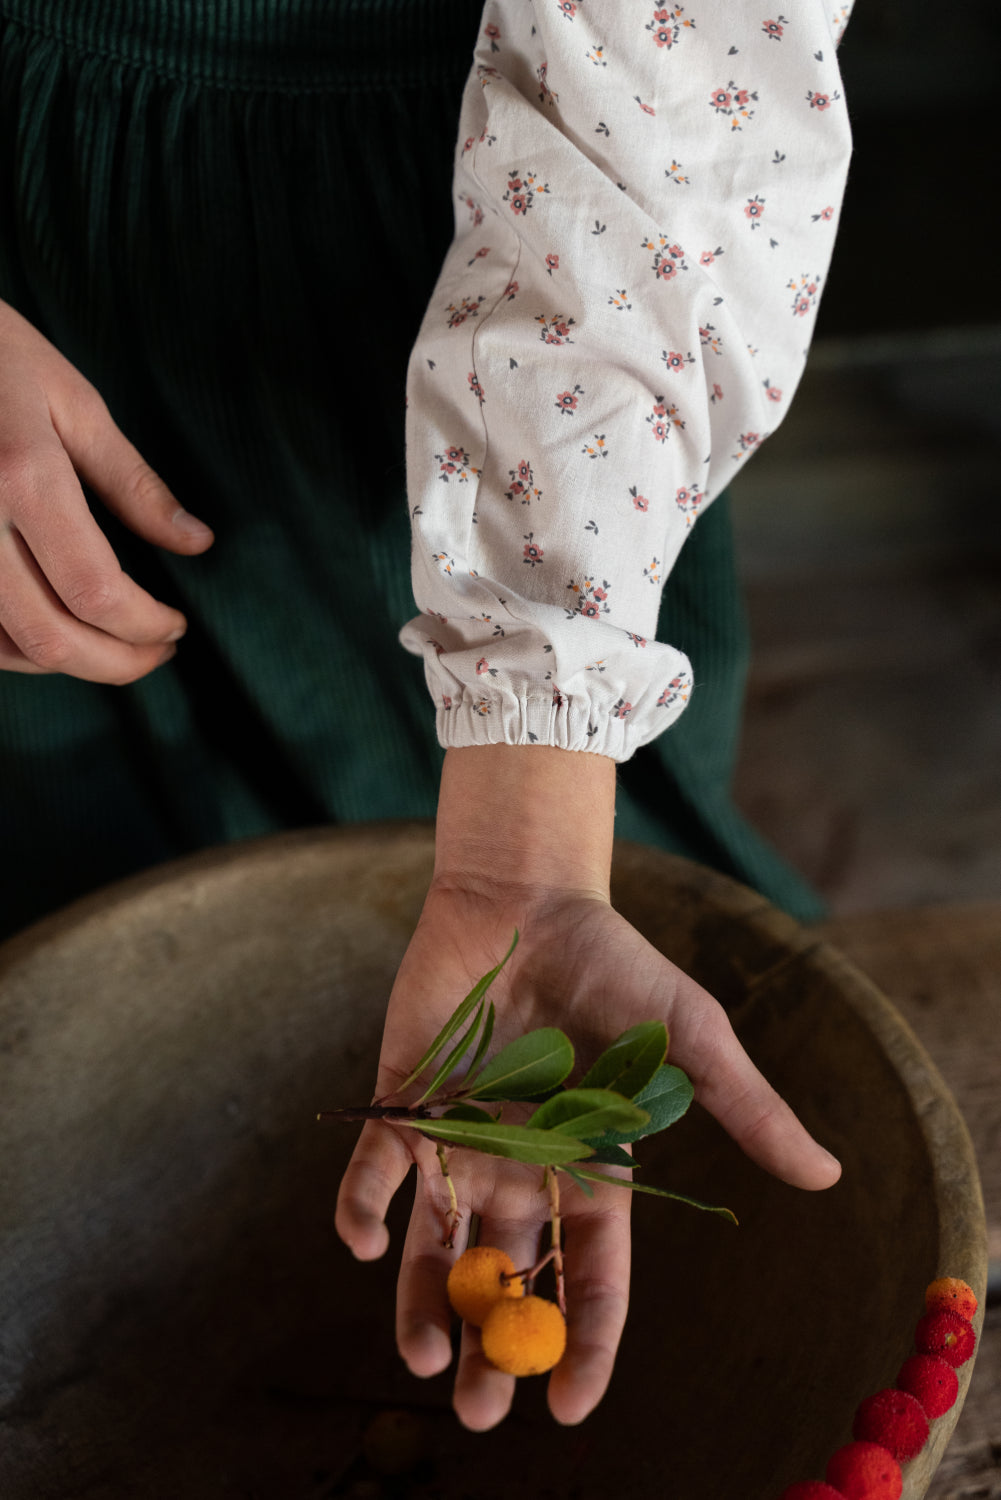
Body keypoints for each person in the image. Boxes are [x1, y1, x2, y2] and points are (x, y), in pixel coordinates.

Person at [0, 0, 852, 1431]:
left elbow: (670, 76)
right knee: (72, 860)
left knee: (625, 851)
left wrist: (526, 840)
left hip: (497, 288)